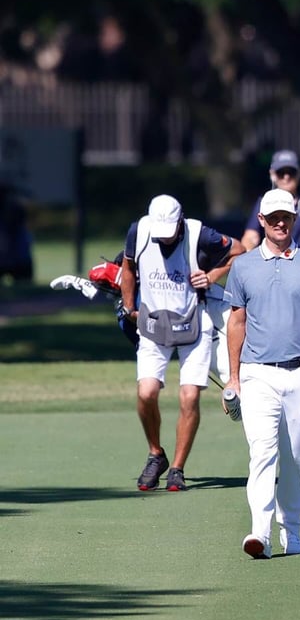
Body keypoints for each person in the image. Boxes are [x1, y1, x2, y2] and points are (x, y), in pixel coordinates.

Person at [224, 188, 300, 559]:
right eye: (271, 216)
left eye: (285, 217)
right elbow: (236, 322)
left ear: (294, 220)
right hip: (258, 373)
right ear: (261, 220)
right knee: (263, 452)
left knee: (296, 457)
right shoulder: (242, 266)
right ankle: (260, 533)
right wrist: (233, 377)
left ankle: (292, 530)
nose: (278, 222)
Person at [118, 195, 245, 491]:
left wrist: (212, 276)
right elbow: (127, 268)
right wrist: (129, 308)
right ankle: (155, 454)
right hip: (152, 323)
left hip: (193, 323)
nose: (165, 238)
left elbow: (239, 250)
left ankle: (177, 468)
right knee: (146, 392)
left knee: (189, 397)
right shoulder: (138, 231)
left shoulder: (199, 233)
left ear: (180, 220)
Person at [241, 149, 300, 299]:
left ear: (299, 174)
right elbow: (251, 236)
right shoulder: (263, 203)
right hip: (271, 272)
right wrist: (245, 264)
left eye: (291, 172)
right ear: (273, 175)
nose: (286, 177)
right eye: (281, 172)